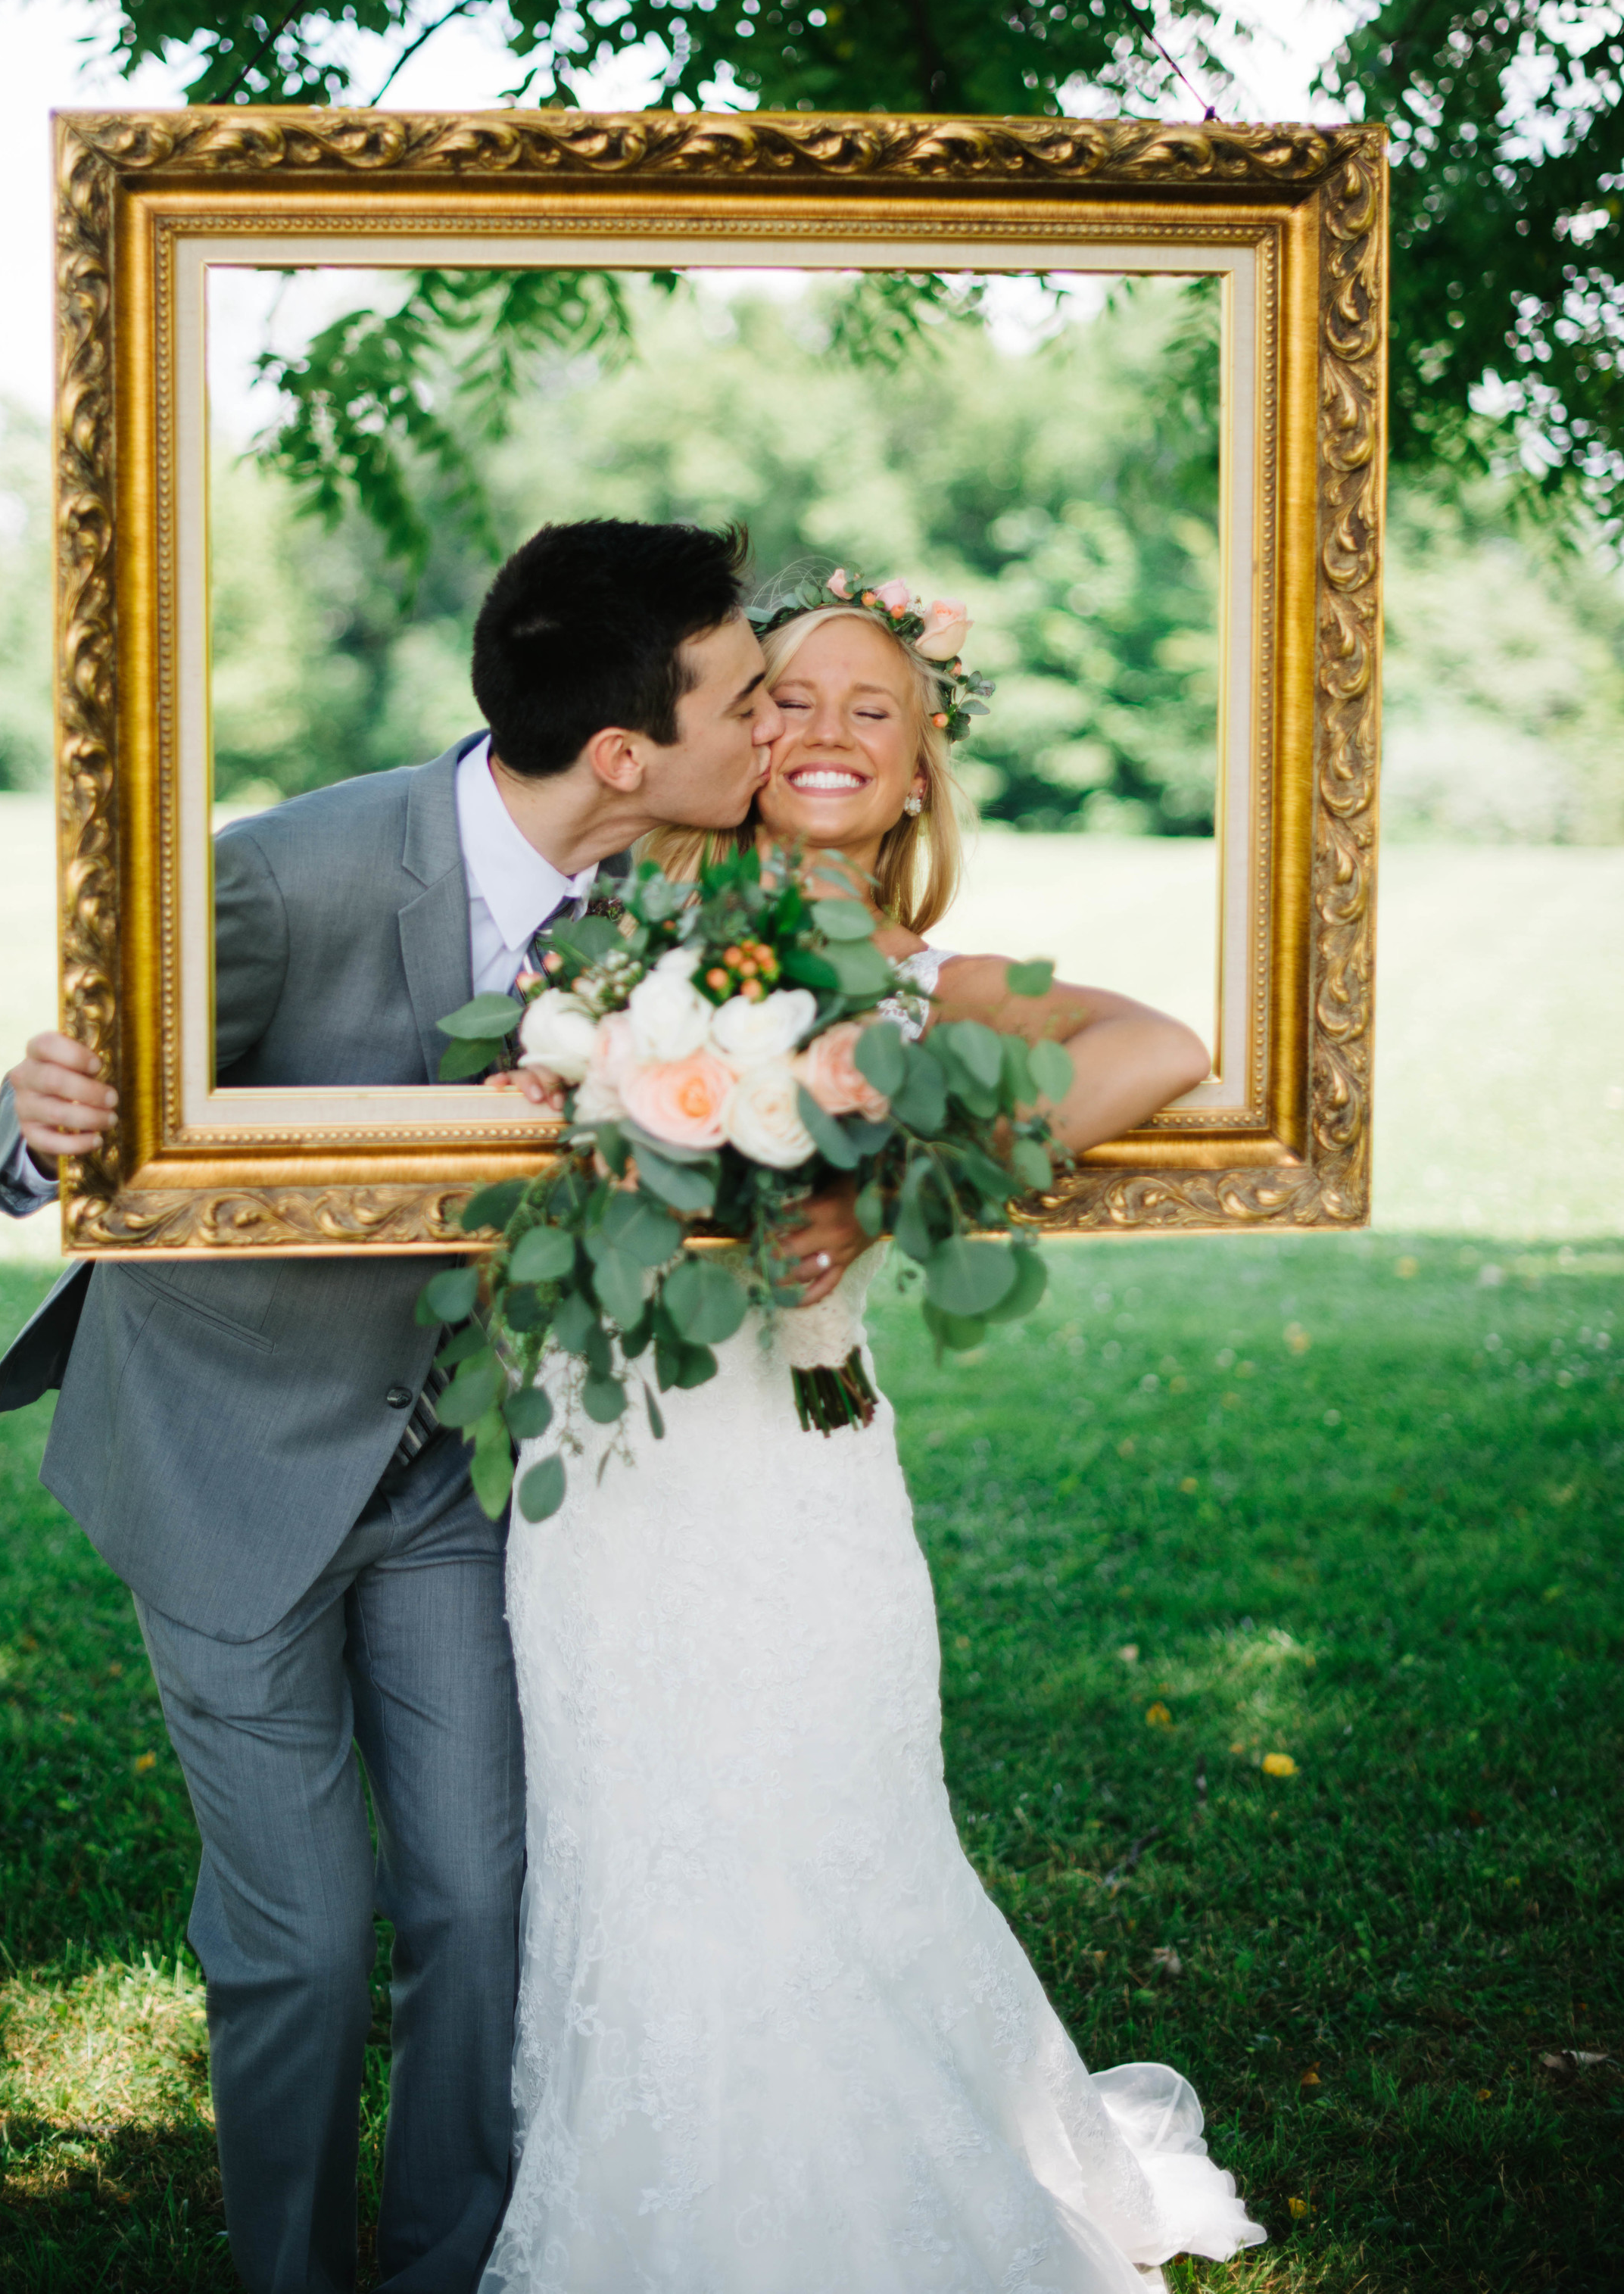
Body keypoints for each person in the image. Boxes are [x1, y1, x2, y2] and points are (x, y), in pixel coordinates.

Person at [0, 518, 865, 2294]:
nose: (769, 728)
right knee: (300, 1939)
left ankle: (443, 2264)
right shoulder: (284, 875)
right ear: (624, 751)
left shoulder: (669, 904)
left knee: (478, 1903)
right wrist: (41, 1112)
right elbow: (79, 1106)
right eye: (745, 695)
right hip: (222, 1457)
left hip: (458, 1465)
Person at [482, 576, 1267, 2293]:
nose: (824, 731)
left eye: (872, 710)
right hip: (606, 1482)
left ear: (917, 769)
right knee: (637, 1853)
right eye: (791, 698)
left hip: (804, 1470)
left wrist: (899, 1172)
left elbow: (1162, 1041)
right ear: (737, 734)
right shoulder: (596, 943)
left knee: (829, 1825)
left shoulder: (940, 979)